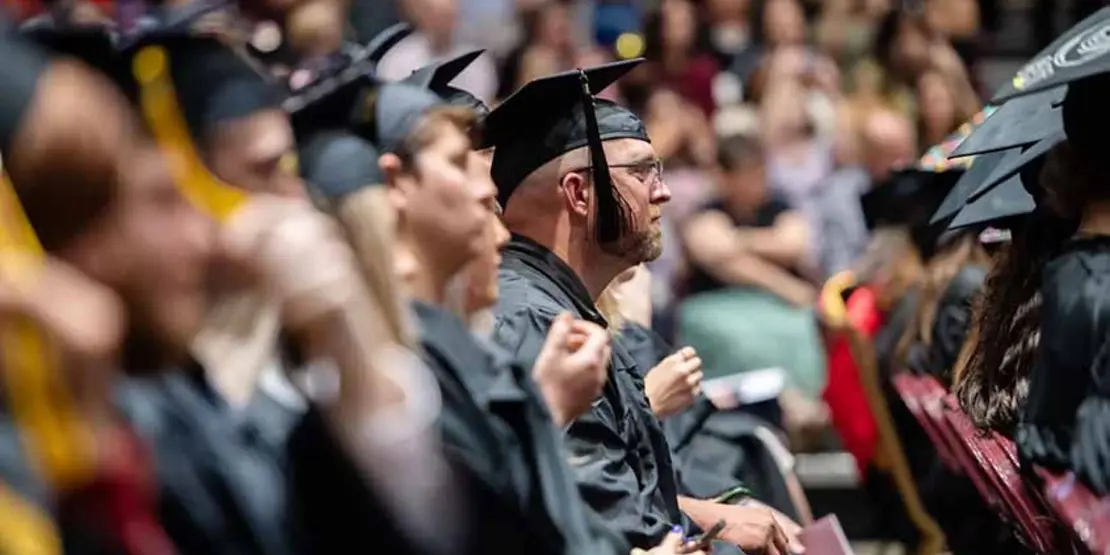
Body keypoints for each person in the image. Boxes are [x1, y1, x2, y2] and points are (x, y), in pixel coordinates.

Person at [487, 59, 803, 554]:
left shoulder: (559, 308)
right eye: (641, 172)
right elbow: (620, 525)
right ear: (578, 193)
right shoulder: (539, 324)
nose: (664, 190)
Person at [680, 135, 826, 403]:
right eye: (745, 175)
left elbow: (793, 243)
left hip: (781, 309)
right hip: (720, 310)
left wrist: (737, 240)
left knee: (801, 331)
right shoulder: (708, 211)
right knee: (742, 342)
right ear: (725, 177)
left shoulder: (778, 206)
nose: (755, 183)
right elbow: (712, 250)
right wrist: (784, 285)